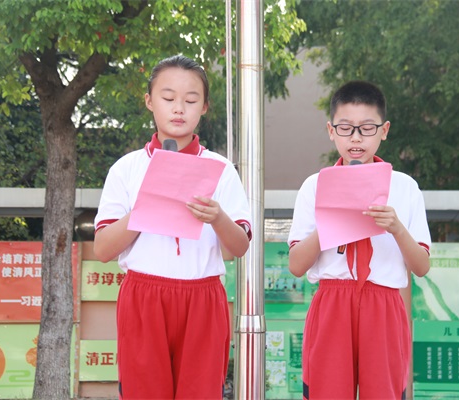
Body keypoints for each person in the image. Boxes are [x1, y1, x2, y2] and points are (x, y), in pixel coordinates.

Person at [93, 55, 252, 400]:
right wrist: (145, 208)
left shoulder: (221, 169)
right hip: (144, 297)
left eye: (191, 100)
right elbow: (103, 249)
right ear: (149, 101)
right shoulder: (127, 169)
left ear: (204, 107)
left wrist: (217, 217)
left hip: (203, 297)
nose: (179, 108)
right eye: (168, 98)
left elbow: (238, 248)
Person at [288, 80, 431, 399]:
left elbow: (421, 267)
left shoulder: (404, 187)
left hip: (384, 305)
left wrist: (396, 227)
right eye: (345, 128)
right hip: (333, 302)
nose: (356, 138)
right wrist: (330, 223)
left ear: (384, 130)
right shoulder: (314, 186)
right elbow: (296, 265)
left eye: (367, 128)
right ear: (331, 131)